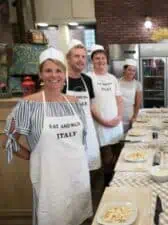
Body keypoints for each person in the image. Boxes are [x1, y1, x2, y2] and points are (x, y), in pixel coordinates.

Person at [3, 48, 92, 225]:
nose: (54, 75)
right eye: (48, 70)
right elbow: (8, 141)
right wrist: (31, 155)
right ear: (40, 75)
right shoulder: (28, 105)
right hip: (50, 180)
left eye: (58, 70)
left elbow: (82, 139)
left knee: (78, 217)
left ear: (64, 74)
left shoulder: (74, 103)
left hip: (77, 175)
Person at [63, 39, 101, 172]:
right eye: (76, 56)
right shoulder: (61, 80)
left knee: (92, 170)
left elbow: (91, 106)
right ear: (68, 58)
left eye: (83, 56)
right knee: (73, 171)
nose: (81, 60)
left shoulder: (87, 80)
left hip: (88, 131)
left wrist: (105, 122)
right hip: (69, 133)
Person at [89, 44, 124, 187]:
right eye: (97, 58)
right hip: (100, 125)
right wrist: (103, 121)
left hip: (116, 124)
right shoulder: (88, 78)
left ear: (106, 60)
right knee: (107, 159)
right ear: (92, 61)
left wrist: (119, 117)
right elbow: (90, 104)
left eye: (103, 58)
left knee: (119, 157)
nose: (100, 61)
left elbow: (119, 99)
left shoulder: (112, 78)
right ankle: (108, 188)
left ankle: (120, 183)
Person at [119, 58, 142, 132]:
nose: (131, 72)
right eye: (129, 70)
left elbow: (138, 103)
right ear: (124, 70)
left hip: (130, 115)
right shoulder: (116, 82)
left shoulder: (137, 84)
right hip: (118, 115)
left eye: (134, 70)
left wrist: (134, 116)